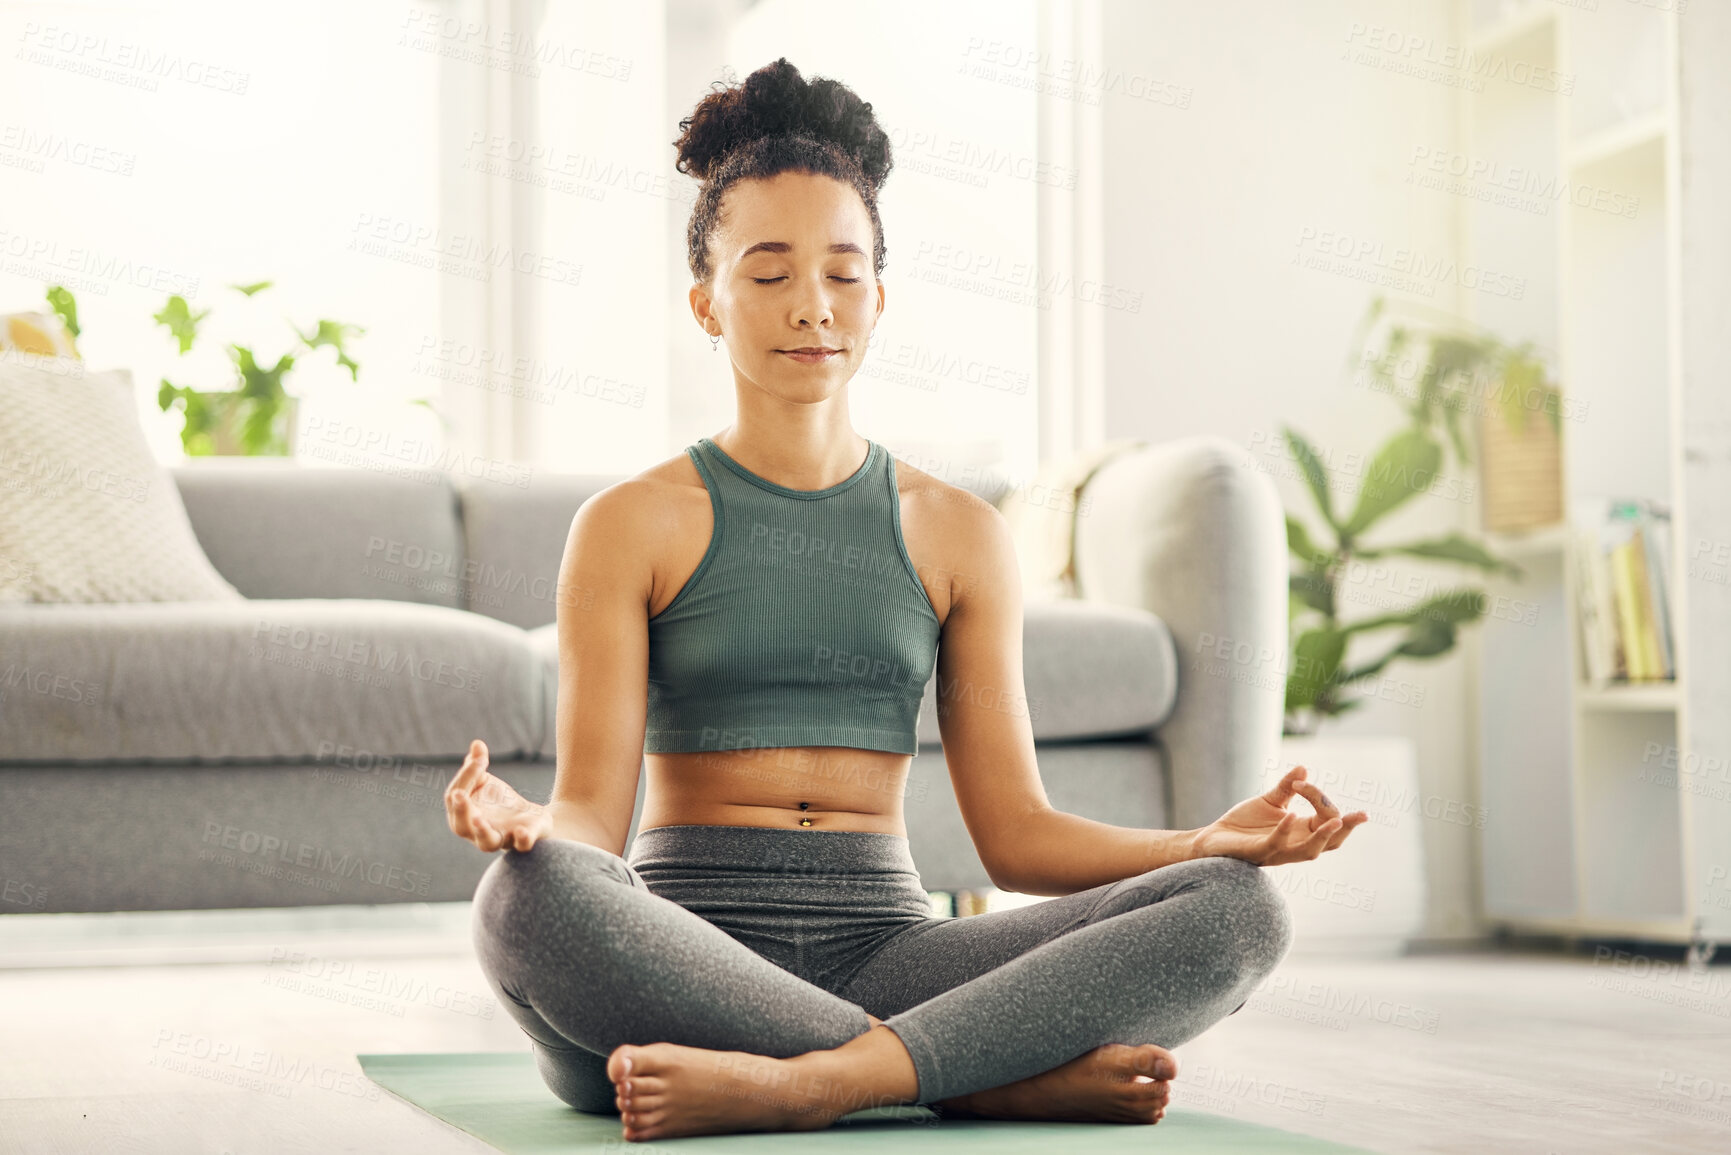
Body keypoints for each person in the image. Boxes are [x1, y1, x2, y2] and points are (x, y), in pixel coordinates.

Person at [445, 57, 1368, 1144]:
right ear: (707, 301)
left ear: (879, 296)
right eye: (769, 272)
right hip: (681, 951)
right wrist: (532, 828)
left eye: (844, 273)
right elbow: (595, 822)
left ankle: (808, 1084)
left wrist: (1206, 840)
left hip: (893, 947)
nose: (812, 308)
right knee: (526, 903)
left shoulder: (957, 532)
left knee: (1237, 911)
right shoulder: (628, 523)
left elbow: (1018, 837)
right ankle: (969, 1077)